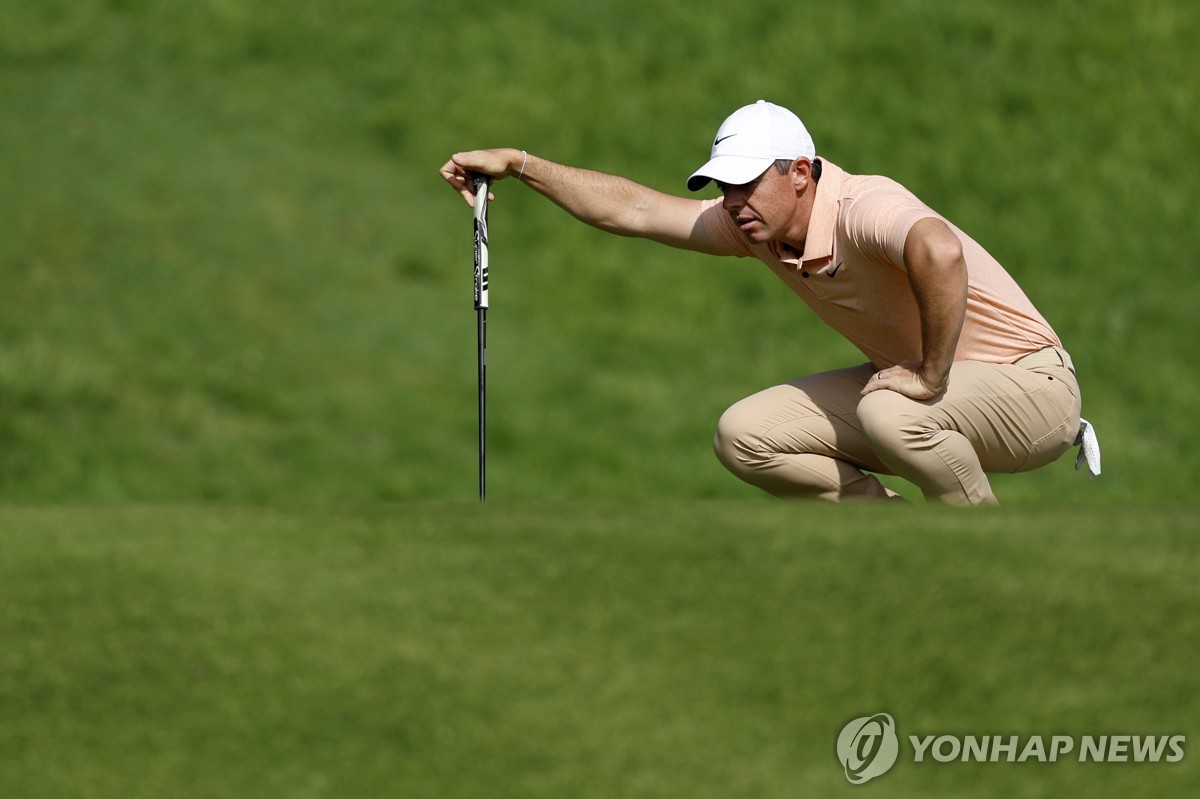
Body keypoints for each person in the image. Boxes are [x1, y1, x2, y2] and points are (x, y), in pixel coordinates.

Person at [439, 100, 1097, 505]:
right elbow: (635, 209)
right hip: (931, 399)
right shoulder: (758, 229)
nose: (732, 202)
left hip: (1034, 389)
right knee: (746, 436)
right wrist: (523, 164)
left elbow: (939, 250)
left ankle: (982, 559)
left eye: (746, 184)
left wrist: (930, 373)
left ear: (801, 173)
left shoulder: (863, 206)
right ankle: (900, 547)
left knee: (892, 409)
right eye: (723, 187)